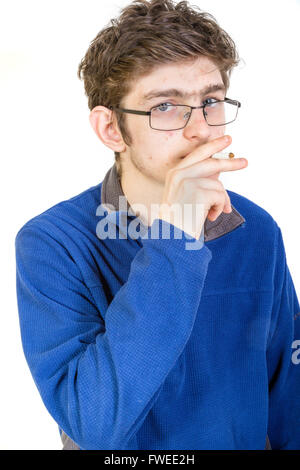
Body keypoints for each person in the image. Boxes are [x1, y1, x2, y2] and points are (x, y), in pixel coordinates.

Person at [15, 0, 300, 450]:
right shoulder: (53, 243)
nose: (200, 129)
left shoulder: (257, 230)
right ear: (110, 129)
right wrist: (177, 237)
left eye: (210, 100)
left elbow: (290, 397)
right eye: (165, 106)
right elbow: (93, 424)